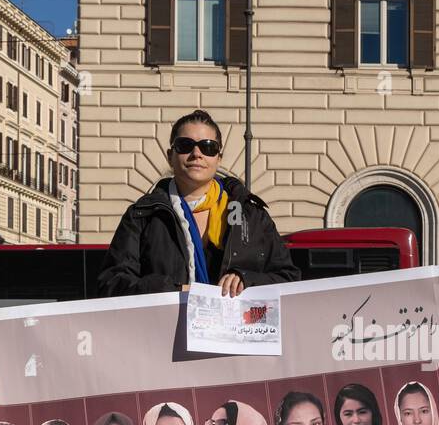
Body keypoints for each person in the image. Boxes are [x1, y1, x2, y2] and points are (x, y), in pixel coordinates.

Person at [97, 109, 299, 297]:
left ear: (218, 158)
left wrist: (246, 280)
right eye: (185, 146)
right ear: (170, 156)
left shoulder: (251, 214)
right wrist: (176, 292)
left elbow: (288, 279)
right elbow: (112, 283)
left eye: (208, 147)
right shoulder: (142, 215)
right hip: (169, 331)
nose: (197, 153)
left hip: (234, 332)